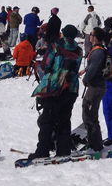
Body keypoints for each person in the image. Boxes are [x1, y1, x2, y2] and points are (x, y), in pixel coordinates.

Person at [29, 25, 82, 160]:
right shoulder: (78, 50)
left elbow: (45, 65)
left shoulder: (55, 47)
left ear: (63, 34)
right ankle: (63, 151)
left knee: (47, 121)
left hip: (55, 88)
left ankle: (42, 151)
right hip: (71, 88)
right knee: (64, 120)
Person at [79, 27, 111, 153]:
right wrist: (85, 70)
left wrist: (86, 78)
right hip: (97, 86)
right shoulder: (99, 50)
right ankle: (94, 143)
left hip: (96, 86)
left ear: (96, 37)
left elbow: (93, 68)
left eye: (92, 34)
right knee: (90, 114)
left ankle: (95, 145)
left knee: (89, 114)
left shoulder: (98, 52)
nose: (90, 36)